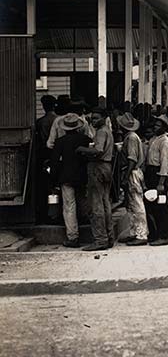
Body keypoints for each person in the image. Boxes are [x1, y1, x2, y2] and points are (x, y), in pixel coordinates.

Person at [76, 107, 116, 251]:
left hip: (98, 167)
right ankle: (109, 237)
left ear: (104, 118)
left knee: (96, 205)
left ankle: (100, 240)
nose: (93, 121)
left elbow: (98, 150)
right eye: (92, 118)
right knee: (105, 204)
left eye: (96, 118)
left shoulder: (101, 132)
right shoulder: (107, 131)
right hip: (106, 167)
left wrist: (82, 149)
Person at [51, 113, 91, 248]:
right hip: (82, 175)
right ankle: (87, 226)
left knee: (69, 206)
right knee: (83, 202)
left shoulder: (60, 142)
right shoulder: (85, 139)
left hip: (66, 176)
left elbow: (55, 163)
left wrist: (53, 180)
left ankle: (73, 237)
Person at [117, 113, 148, 246]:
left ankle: (141, 234)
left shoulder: (131, 138)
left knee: (136, 203)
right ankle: (134, 231)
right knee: (130, 204)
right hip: (133, 171)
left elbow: (132, 159)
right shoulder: (130, 137)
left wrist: (125, 176)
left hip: (132, 172)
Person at [142, 115, 168, 246]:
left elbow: (164, 163)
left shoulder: (164, 142)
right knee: (151, 205)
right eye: (155, 125)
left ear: (164, 128)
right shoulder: (155, 139)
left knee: (161, 206)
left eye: (158, 126)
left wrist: (161, 183)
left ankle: (163, 235)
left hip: (159, 174)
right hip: (151, 173)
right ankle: (154, 234)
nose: (155, 127)